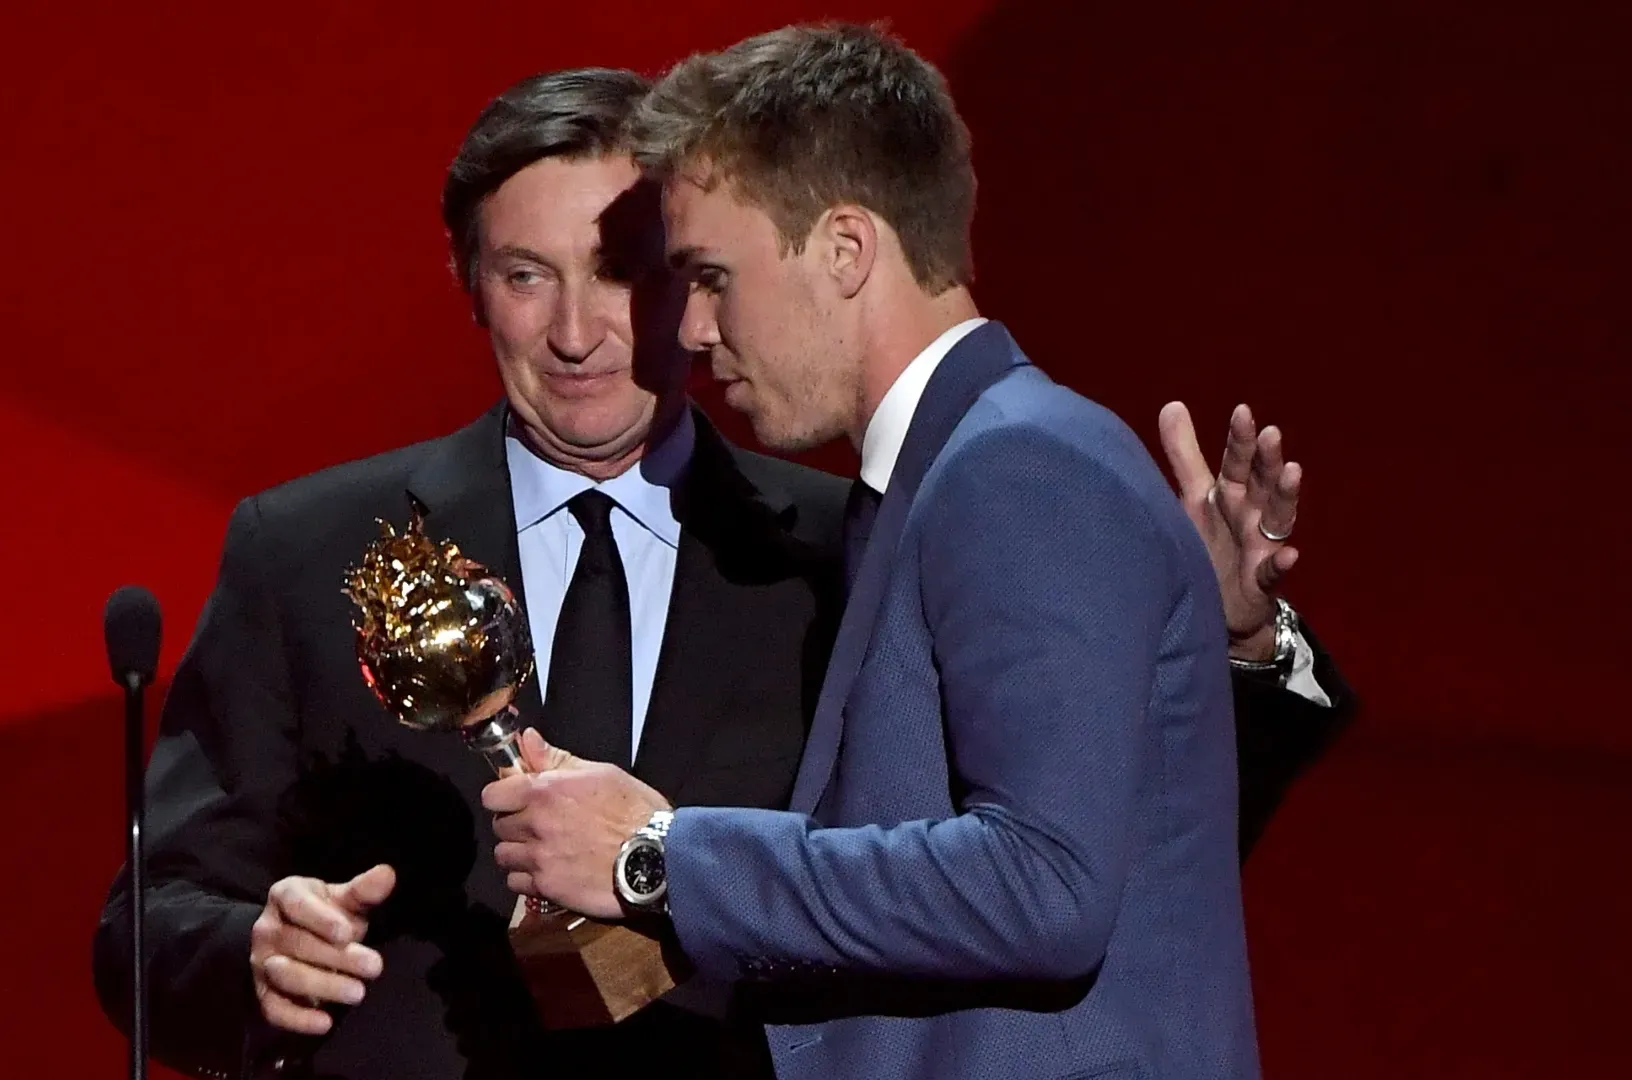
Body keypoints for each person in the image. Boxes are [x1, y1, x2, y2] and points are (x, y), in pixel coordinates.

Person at [93, 64, 1350, 1080]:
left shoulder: (844, 540)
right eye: (527, 276)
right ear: (469, 284)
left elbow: (1069, 859)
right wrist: (249, 957)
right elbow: (145, 924)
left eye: (640, 275)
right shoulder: (309, 551)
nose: (584, 334)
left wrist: (1218, 641)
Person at [483, 25, 1268, 1080]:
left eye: (712, 276)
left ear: (846, 250)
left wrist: (656, 857)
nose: (697, 329)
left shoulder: (1018, 468)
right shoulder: (948, 471)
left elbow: (1045, 883)